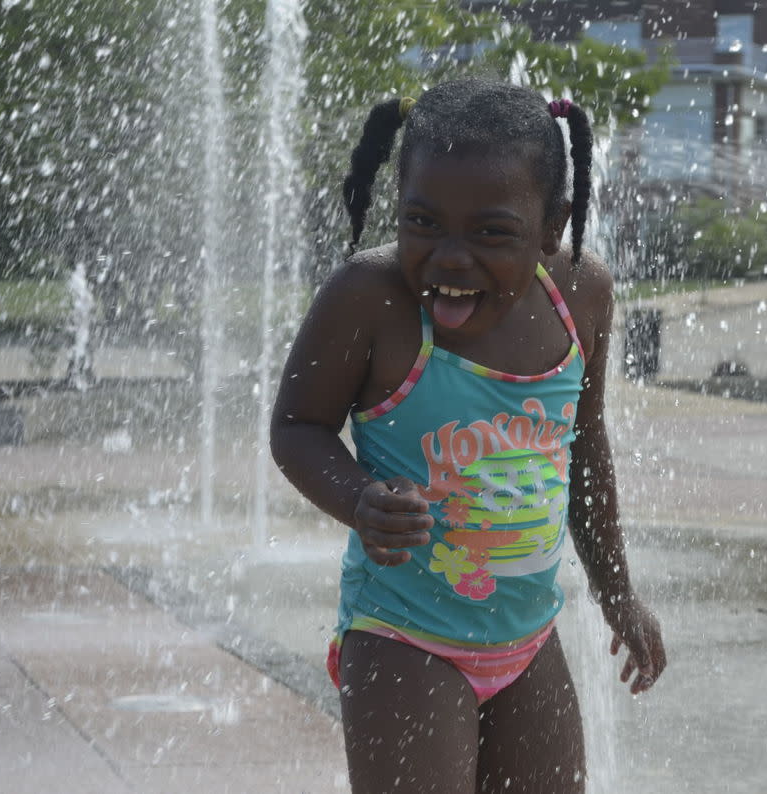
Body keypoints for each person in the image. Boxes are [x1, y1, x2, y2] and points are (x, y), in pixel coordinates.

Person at [270, 78, 666, 794]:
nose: (451, 257)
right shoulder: (370, 300)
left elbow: (584, 451)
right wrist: (359, 498)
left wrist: (618, 594)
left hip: (527, 639)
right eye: (423, 222)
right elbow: (298, 427)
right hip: (404, 637)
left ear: (553, 227)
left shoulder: (580, 295)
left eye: (491, 233)